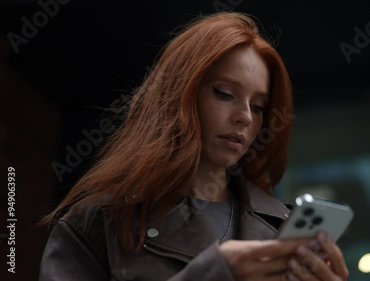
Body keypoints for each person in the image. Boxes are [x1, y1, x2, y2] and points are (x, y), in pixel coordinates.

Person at [39, 11, 350, 281]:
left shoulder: (283, 228)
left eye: (258, 106)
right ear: (180, 96)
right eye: (224, 93)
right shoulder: (98, 222)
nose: (244, 117)